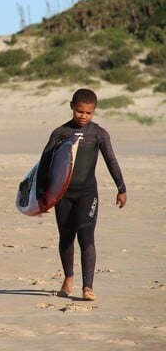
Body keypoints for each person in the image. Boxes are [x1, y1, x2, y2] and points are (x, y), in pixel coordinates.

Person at [37, 89, 127, 302]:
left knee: (86, 236)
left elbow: (111, 161)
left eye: (89, 113)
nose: (83, 116)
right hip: (63, 195)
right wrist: (41, 193)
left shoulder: (99, 134)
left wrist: (121, 188)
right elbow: (44, 164)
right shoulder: (60, 133)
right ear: (72, 107)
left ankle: (88, 287)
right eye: (79, 111)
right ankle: (69, 278)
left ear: (94, 112)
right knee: (66, 237)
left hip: (87, 193)